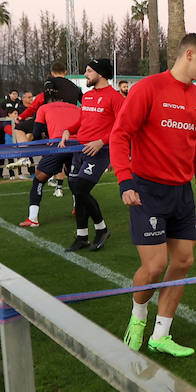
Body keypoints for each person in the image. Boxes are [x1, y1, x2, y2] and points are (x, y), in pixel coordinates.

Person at [110, 32, 196, 358]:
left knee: (183, 261)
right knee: (154, 267)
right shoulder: (148, 89)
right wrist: (125, 182)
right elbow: (119, 136)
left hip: (182, 194)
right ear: (189, 54)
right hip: (147, 192)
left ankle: (161, 334)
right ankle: (138, 317)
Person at [66, 58, 123, 252]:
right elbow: (82, 120)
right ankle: (82, 236)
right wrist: (68, 130)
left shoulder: (115, 97)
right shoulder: (88, 96)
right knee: (76, 190)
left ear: (100, 73)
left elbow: (122, 127)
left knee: (81, 189)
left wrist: (102, 141)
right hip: (79, 150)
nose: (85, 74)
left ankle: (101, 229)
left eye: (89, 71)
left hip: (99, 151)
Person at [18, 79, 81, 227]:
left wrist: (45, 137)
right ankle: (78, 208)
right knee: (74, 179)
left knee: (39, 179)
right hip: (77, 146)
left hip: (57, 145)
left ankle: (33, 218)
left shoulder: (44, 108)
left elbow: (36, 131)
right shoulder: (77, 108)